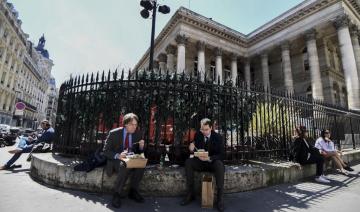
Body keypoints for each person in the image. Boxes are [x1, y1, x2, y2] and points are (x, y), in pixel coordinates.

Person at [180, 118, 225, 212]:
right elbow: (194, 149)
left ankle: (220, 199)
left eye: (206, 130)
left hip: (212, 162)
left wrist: (210, 158)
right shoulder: (198, 135)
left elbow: (222, 155)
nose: (204, 132)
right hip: (200, 162)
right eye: (202, 129)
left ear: (211, 128)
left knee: (220, 165)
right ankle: (190, 194)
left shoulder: (218, 137)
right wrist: (191, 148)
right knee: (188, 162)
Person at [103, 113, 146, 208]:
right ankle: (117, 194)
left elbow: (139, 152)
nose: (134, 127)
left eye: (136, 124)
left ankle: (133, 191)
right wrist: (118, 155)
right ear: (126, 124)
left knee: (141, 164)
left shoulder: (138, 133)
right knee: (124, 165)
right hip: (117, 160)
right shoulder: (114, 133)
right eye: (132, 124)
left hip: (131, 158)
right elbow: (105, 151)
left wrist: (141, 147)